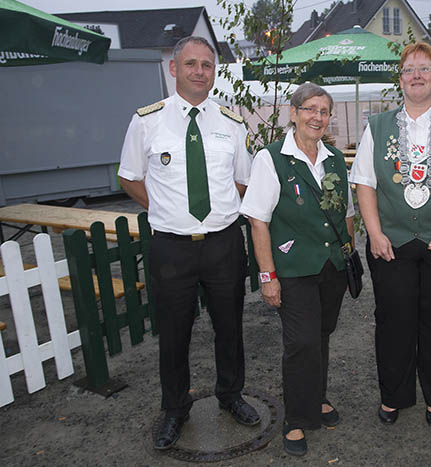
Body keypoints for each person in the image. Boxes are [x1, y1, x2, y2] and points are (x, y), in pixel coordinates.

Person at [118, 36, 260, 451]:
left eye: (207, 65)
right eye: (192, 64)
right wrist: (163, 207)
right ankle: (175, 409)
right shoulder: (147, 121)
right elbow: (129, 176)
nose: (200, 71)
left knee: (230, 328)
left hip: (222, 244)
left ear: (214, 72)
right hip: (171, 248)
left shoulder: (231, 124)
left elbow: (241, 181)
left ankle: (231, 395)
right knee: (174, 333)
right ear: (174, 69)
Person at [350, 42, 431, 425]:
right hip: (390, 242)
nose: (417, 75)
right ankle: (394, 395)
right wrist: (374, 234)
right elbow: (364, 184)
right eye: (409, 70)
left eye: (425, 69)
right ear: (401, 80)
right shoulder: (377, 127)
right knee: (393, 320)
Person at [240, 83, 355, 456]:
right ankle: (295, 418)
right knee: (300, 343)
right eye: (310, 109)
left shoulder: (335, 159)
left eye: (324, 111)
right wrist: (267, 276)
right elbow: (258, 221)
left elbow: (347, 214)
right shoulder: (270, 158)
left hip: (331, 267)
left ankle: (317, 399)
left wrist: (349, 256)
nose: (317, 117)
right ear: (293, 113)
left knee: (320, 336)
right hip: (292, 268)